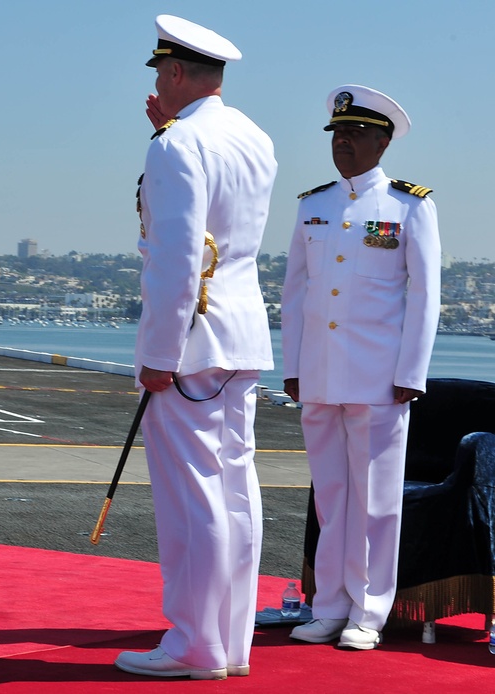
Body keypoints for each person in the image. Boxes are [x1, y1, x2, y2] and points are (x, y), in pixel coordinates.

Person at [113, 15, 277, 680]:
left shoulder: (178, 145)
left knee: (193, 500)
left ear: (177, 73)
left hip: (191, 345)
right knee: (237, 493)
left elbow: (177, 262)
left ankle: (193, 645)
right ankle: (230, 643)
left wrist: (158, 353)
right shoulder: (253, 136)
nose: (156, 84)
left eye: (160, 72)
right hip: (240, 338)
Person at [281, 85, 441, 649]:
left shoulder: (409, 205)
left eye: (355, 133)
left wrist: (410, 373)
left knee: (375, 499)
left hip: (379, 379)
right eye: (336, 133)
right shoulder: (312, 205)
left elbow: (424, 296)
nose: (342, 141)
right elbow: (295, 292)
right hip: (320, 375)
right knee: (331, 496)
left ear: (383, 140)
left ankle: (368, 614)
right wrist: (293, 365)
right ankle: (328, 605)